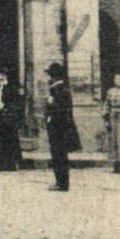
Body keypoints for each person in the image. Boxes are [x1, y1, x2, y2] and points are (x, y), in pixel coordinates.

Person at [44, 61, 81, 191]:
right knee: (57, 156)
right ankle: (59, 181)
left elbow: (63, 110)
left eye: (49, 75)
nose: (47, 78)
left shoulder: (62, 90)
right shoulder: (56, 89)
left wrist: (51, 103)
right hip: (56, 129)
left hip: (60, 130)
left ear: (55, 77)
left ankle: (62, 183)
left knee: (60, 156)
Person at [0, 70, 23, 171]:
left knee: (9, 141)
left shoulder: (12, 89)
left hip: (7, 118)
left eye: (3, 75)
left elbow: (15, 103)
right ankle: (1, 163)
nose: (1, 77)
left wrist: (7, 109)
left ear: (7, 77)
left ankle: (10, 164)